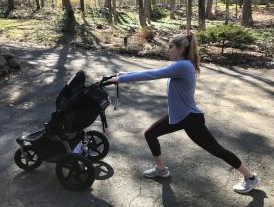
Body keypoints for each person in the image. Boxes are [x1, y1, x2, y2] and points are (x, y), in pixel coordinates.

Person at [106, 33, 260, 193]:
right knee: (150, 134)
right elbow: (153, 71)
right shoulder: (182, 65)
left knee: (216, 150)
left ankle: (250, 178)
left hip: (190, 119)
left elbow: (153, 74)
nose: (168, 50)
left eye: (171, 47)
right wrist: (122, 76)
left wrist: (121, 80)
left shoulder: (183, 66)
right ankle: (161, 169)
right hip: (179, 116)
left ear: (180, 49)